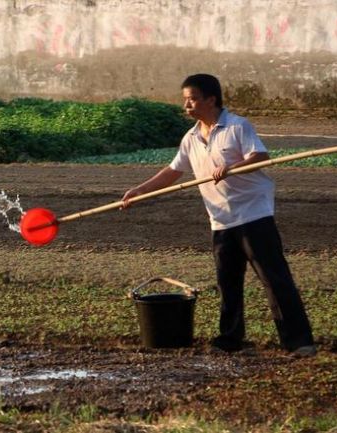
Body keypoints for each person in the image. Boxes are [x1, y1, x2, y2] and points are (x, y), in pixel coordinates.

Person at [122, 74, 316, 357]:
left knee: (274, 279)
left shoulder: (237, 126)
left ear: (211, 99)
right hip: (221, 219)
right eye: (185, 100)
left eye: (193, 99)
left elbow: (260, 157)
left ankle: (299, 342)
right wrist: (139, 190)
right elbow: (174, 171)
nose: (187, 105)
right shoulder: (190, 138)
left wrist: (232, 167)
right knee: (228, 283)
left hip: (253, 215)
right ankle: (230, 340)